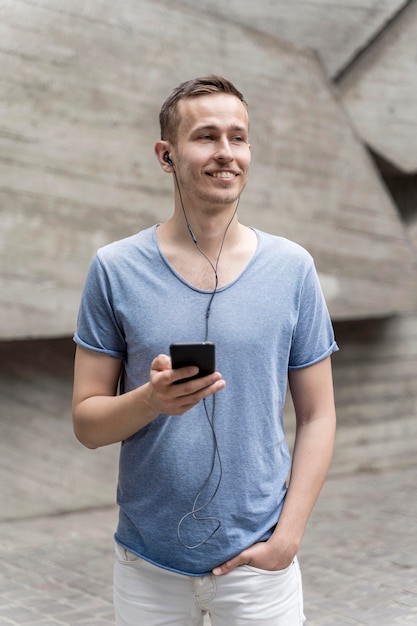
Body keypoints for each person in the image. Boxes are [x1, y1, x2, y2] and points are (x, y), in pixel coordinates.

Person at [72, 74, 338, 625]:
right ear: (166, 155)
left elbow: (318, 415)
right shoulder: (115, 269)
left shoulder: (292, 268)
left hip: (259, 566)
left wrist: (287, 539)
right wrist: (151, 401)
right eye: (206, 136)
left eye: (238, 137)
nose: (226, 153)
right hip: (148, 567)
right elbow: (88, 424)